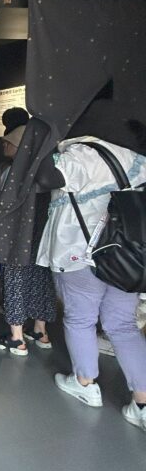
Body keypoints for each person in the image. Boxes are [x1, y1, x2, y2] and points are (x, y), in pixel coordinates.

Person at [36, 101, 146, 432]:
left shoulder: (82, 154)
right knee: (123, 325)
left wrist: (44, 143)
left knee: (81, 318)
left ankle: (85, 384)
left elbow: (45, 177)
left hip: (81, 253)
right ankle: (142, 403)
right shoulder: (135, 159)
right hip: (128, 257)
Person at [0, 124, 56, 355]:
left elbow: (4, 204)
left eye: (9, 142)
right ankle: (40, 331)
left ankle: (17, 338)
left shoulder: (13, 172)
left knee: (14, 280)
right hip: (42, 236)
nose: (4, 144)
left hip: (17, 237)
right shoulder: (47, 171)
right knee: (41, 278)